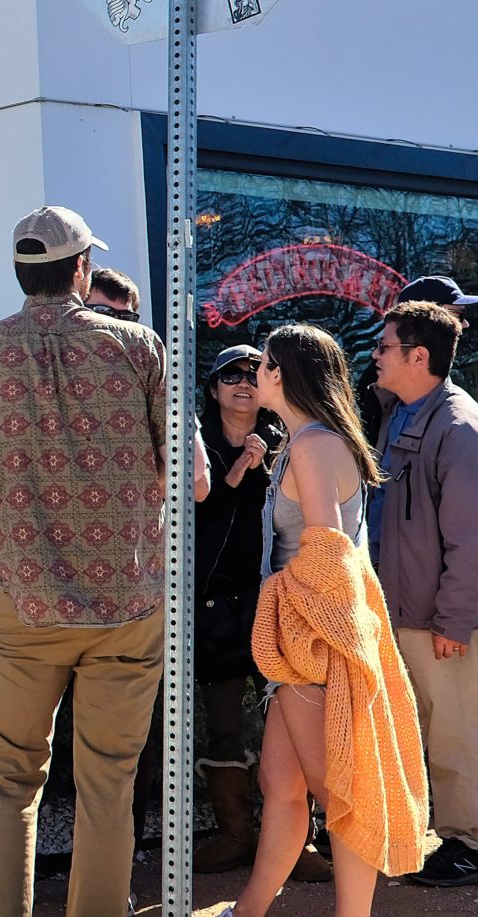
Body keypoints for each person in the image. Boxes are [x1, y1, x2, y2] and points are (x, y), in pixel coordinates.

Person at [0, 206, 199, 917]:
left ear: (23, 273)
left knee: (10, 781)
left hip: (21, 598)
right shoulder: (140, 345)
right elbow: (193, 479)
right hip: (129, 605)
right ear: (81, 268)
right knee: (109, 785)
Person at [230, 324, 427, 916]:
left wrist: (288, 624)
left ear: (284, 373)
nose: (252, 375)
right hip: (312, 642)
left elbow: (326, 556)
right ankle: (249, 910)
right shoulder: (312, 441)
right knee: (283, 788)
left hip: (314, 644)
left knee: (341, 795)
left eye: (262, 364)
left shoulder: (313, 446)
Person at [371, 301, 478, 888]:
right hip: (403, 611)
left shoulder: (459, 426)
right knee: (430, 729)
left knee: (456, 730)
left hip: (438, 619)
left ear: (419, 357)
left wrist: (455, 622)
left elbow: (472, 537)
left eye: (384, 346)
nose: (374, 354)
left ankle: (469, 845)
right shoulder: (403, 413)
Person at [192, 344, 288, 874]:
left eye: (254, 373)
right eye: (230, 375)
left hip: (274, 602)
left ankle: (299, 840)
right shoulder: (196, 446)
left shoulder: (287, 440)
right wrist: (238, 471)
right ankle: (235, 835)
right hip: (213, 610)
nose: (244, 383)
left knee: (289, 720)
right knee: (224, 724)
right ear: (212, 390)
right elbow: (198, 521)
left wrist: (262, 462)